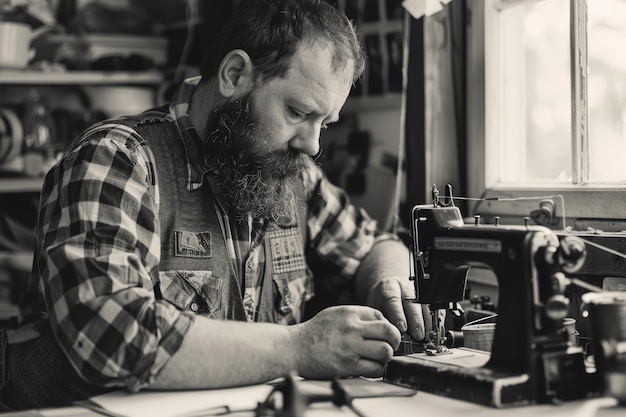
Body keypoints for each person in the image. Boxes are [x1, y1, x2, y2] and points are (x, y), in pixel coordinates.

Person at [0, 0, 428, 411]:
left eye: (325, 123)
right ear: (235, 74)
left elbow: (377, 244)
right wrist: (301, 347)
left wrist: (388, 283)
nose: (313, 145)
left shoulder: (290, 174)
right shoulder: (117, 158)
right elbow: (108, 333)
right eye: (298, 112)